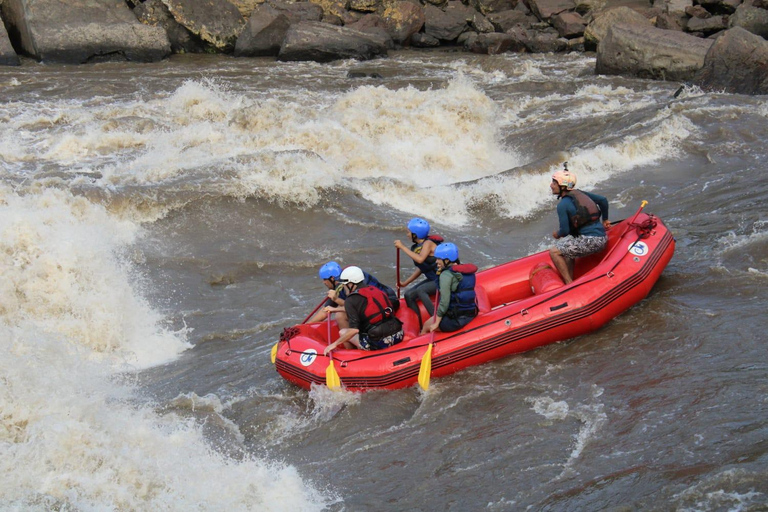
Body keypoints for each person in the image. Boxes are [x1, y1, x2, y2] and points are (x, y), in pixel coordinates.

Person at [548, 164, 611, 284]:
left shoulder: (562, 205)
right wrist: (605, 220)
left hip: (591, 242)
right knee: (567, 248)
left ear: (562, 186)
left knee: (554, 252)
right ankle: (570, 276)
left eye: (554, 183)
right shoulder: (581, 194)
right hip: (602, 238)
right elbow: (603, 200)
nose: (551, 186)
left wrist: (557, 234)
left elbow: (565, 231)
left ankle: (568, 283)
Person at [323, 266, 404, 354]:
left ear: (351, 284)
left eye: (344, 285)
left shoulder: (351, 299)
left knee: (343, 332)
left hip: (379, 342)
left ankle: (352, 355)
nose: (343, 287)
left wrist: (334, 344)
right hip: (398, 335)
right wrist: (335, 309)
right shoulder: (375, 290)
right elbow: (364, 308)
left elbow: (354, 330)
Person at [308, 261, 399, 326]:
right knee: (341, 309)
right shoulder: (339, 285)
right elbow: (325, 310)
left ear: (332, 278)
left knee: (340, 314)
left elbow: (360, 304)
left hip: (388, 302)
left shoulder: (352, 280)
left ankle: (353, 346)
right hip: (373, 303)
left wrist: (337, 300)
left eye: (324, 279)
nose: (323, 282)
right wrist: (305, 325)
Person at [422, 243, 479, 334]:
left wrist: (437, 323)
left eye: (439, 259)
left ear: (447, 260)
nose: (436, 261)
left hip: (456, 320)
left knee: (426, 326)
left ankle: (421, 345)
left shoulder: (446, 275)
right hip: (471, 313)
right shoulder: (465, 271)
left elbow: (444, 302)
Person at [394, 217, 440, 328]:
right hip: (432, 279)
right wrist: (405, 283)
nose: (407, 235)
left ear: (416, 234)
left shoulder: (428, 243)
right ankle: (418, 324)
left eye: (409, 232)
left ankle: (435, 319)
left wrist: (402, 247)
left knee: (420, 290)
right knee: (408, 295)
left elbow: (420, 259)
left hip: (441, 279)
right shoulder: (416, 247)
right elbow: (421, 267)